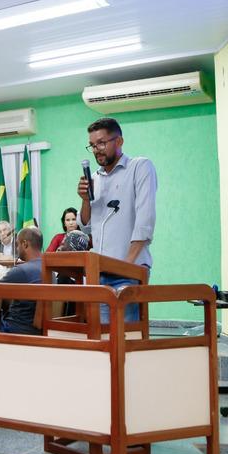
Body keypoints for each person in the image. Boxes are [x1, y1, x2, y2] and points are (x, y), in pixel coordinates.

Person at [77, 117, 157, 323]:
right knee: (103, 340)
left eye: (102, 143)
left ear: (119, 141)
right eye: (92, 145)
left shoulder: (139, 167)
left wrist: (126, 267)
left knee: (127, 340)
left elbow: (144, 222)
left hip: (128, 273)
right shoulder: (93, 178)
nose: (96, 150)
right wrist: (85, 200)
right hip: (98, 274)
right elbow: (86, 227)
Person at [0, 227, 44, 335]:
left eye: (17, 245)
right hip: (38, 329)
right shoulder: (49, 269)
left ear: (25, 244)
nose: (17, 249)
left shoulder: (21, 271)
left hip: (16, 328)